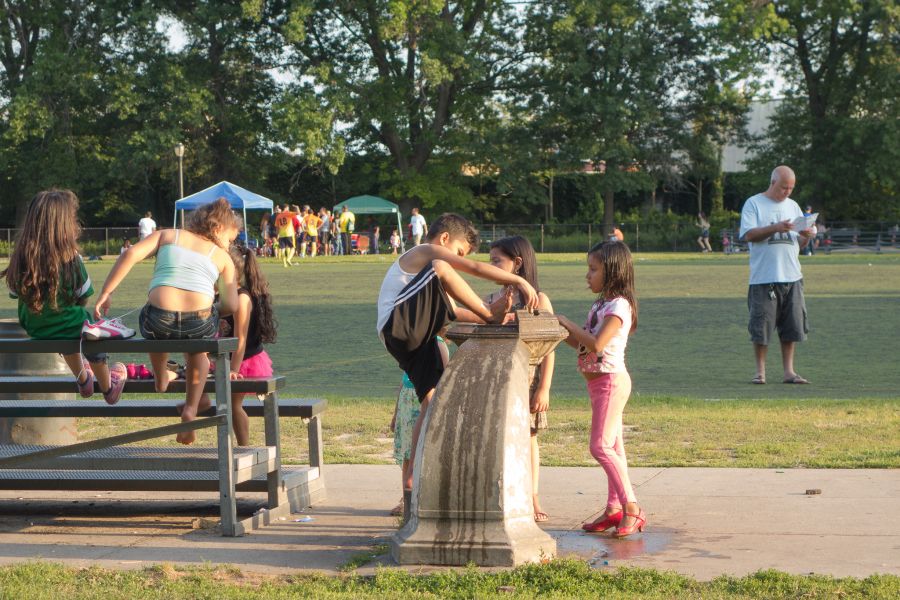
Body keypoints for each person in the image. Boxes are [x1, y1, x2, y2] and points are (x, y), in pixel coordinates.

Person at [377, 213, 539, 496]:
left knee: (433, 401)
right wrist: (516, 285)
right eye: (459, 251)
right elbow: (473, 267)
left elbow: (452, 311)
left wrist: (501, 318)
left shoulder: (425, 289)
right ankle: (491, 314)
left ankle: (414, 474)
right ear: (443, 239)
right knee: (442, 267)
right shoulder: (425, 253)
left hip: (409, 340)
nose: (460, 260)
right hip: (397, 324)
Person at [94, 197, 240, 444]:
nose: (229, 245)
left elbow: (131, 254)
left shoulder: (168, 235)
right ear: (217, 229)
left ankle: (161, 377)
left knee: (154, 330)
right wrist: (212, 306)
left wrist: (106, 293)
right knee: (199, 354)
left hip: (158, 319)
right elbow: (231, 306)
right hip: (199, 321)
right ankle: (190, 410)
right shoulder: (223, 258)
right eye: (230, 240)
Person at [2, 189, 130, 404]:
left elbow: (15, 293)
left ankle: (83, 379)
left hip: (33, 325)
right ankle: (108, 387)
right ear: (65, 224)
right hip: (67, 323)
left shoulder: (23, 257)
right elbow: (83, 296)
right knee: (89, 327)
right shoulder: (71, 259)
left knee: (67, 331)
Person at [556, 240, 645, 538]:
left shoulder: (619, 306)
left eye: (593, 269)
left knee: (600, 447)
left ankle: (632, 509)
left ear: (613, 271)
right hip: (599, 386)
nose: (587, 275)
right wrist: (560, 330)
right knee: (614, 448)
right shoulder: (601, 304)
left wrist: (566, 322)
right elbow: (582, 344)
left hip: (611, 382)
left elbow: (597, 344)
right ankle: (613, 509)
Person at [485, 236, 555, 522]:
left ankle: (532, 495)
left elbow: (550, 347)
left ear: (517, 263)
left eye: (496, 262)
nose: (491, 268)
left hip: (528, 377)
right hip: (497, 377)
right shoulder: (490, 299)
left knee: (528, 439)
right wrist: (496, 312)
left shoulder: (538, 300)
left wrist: (544, 388)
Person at [194, 246, 276, 445]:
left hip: (244, 360)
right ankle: (229, 446)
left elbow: (240, 337)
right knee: (226, 403)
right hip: (224, 359)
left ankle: (244, 448)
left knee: (232, 404)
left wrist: (233, 369)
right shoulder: (221, 296)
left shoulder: (241, 298)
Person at [739, 165, 813, 385]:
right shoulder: (754, 203)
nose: (787, 192)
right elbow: (748, 235)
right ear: (772, 183)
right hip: (764, 277)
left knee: (792, 325)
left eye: (790, 188)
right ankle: (760, 372)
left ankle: (789, 371)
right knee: (761, 326)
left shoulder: (793, 206)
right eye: (783, 187)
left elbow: (799, 243)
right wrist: (776, 227)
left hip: (792, 275)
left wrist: (807, 236)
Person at [389, 334, 449, 517]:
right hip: (408, 402)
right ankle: (405, 499)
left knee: (422, 452)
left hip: (423, 400)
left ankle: (424, 498)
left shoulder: (438, 345)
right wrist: (396, 412)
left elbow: (445, 379)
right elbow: (403, 380)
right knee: (407, 454)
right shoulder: (413, 344)